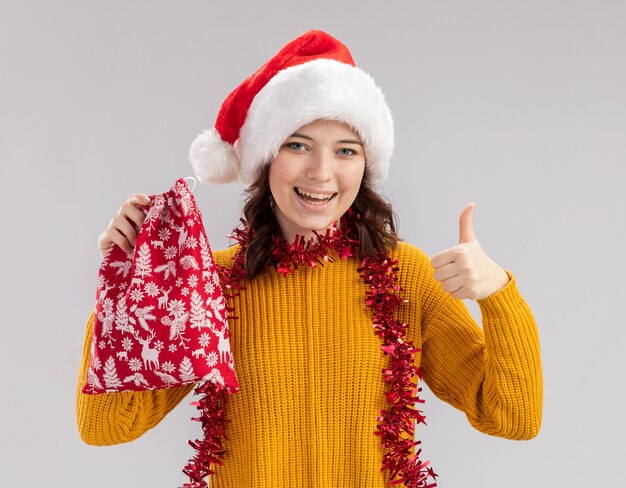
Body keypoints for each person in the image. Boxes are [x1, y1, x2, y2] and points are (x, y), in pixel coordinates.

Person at [76, 30, 542, 488]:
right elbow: (106, 425)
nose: (321, 172)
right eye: (298, 145)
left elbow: (513, 416)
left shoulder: (407, 278)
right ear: (265, 158)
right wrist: (127, 291)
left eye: (345, 150)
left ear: (365, 164)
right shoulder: (211, 284)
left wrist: (499, 292)